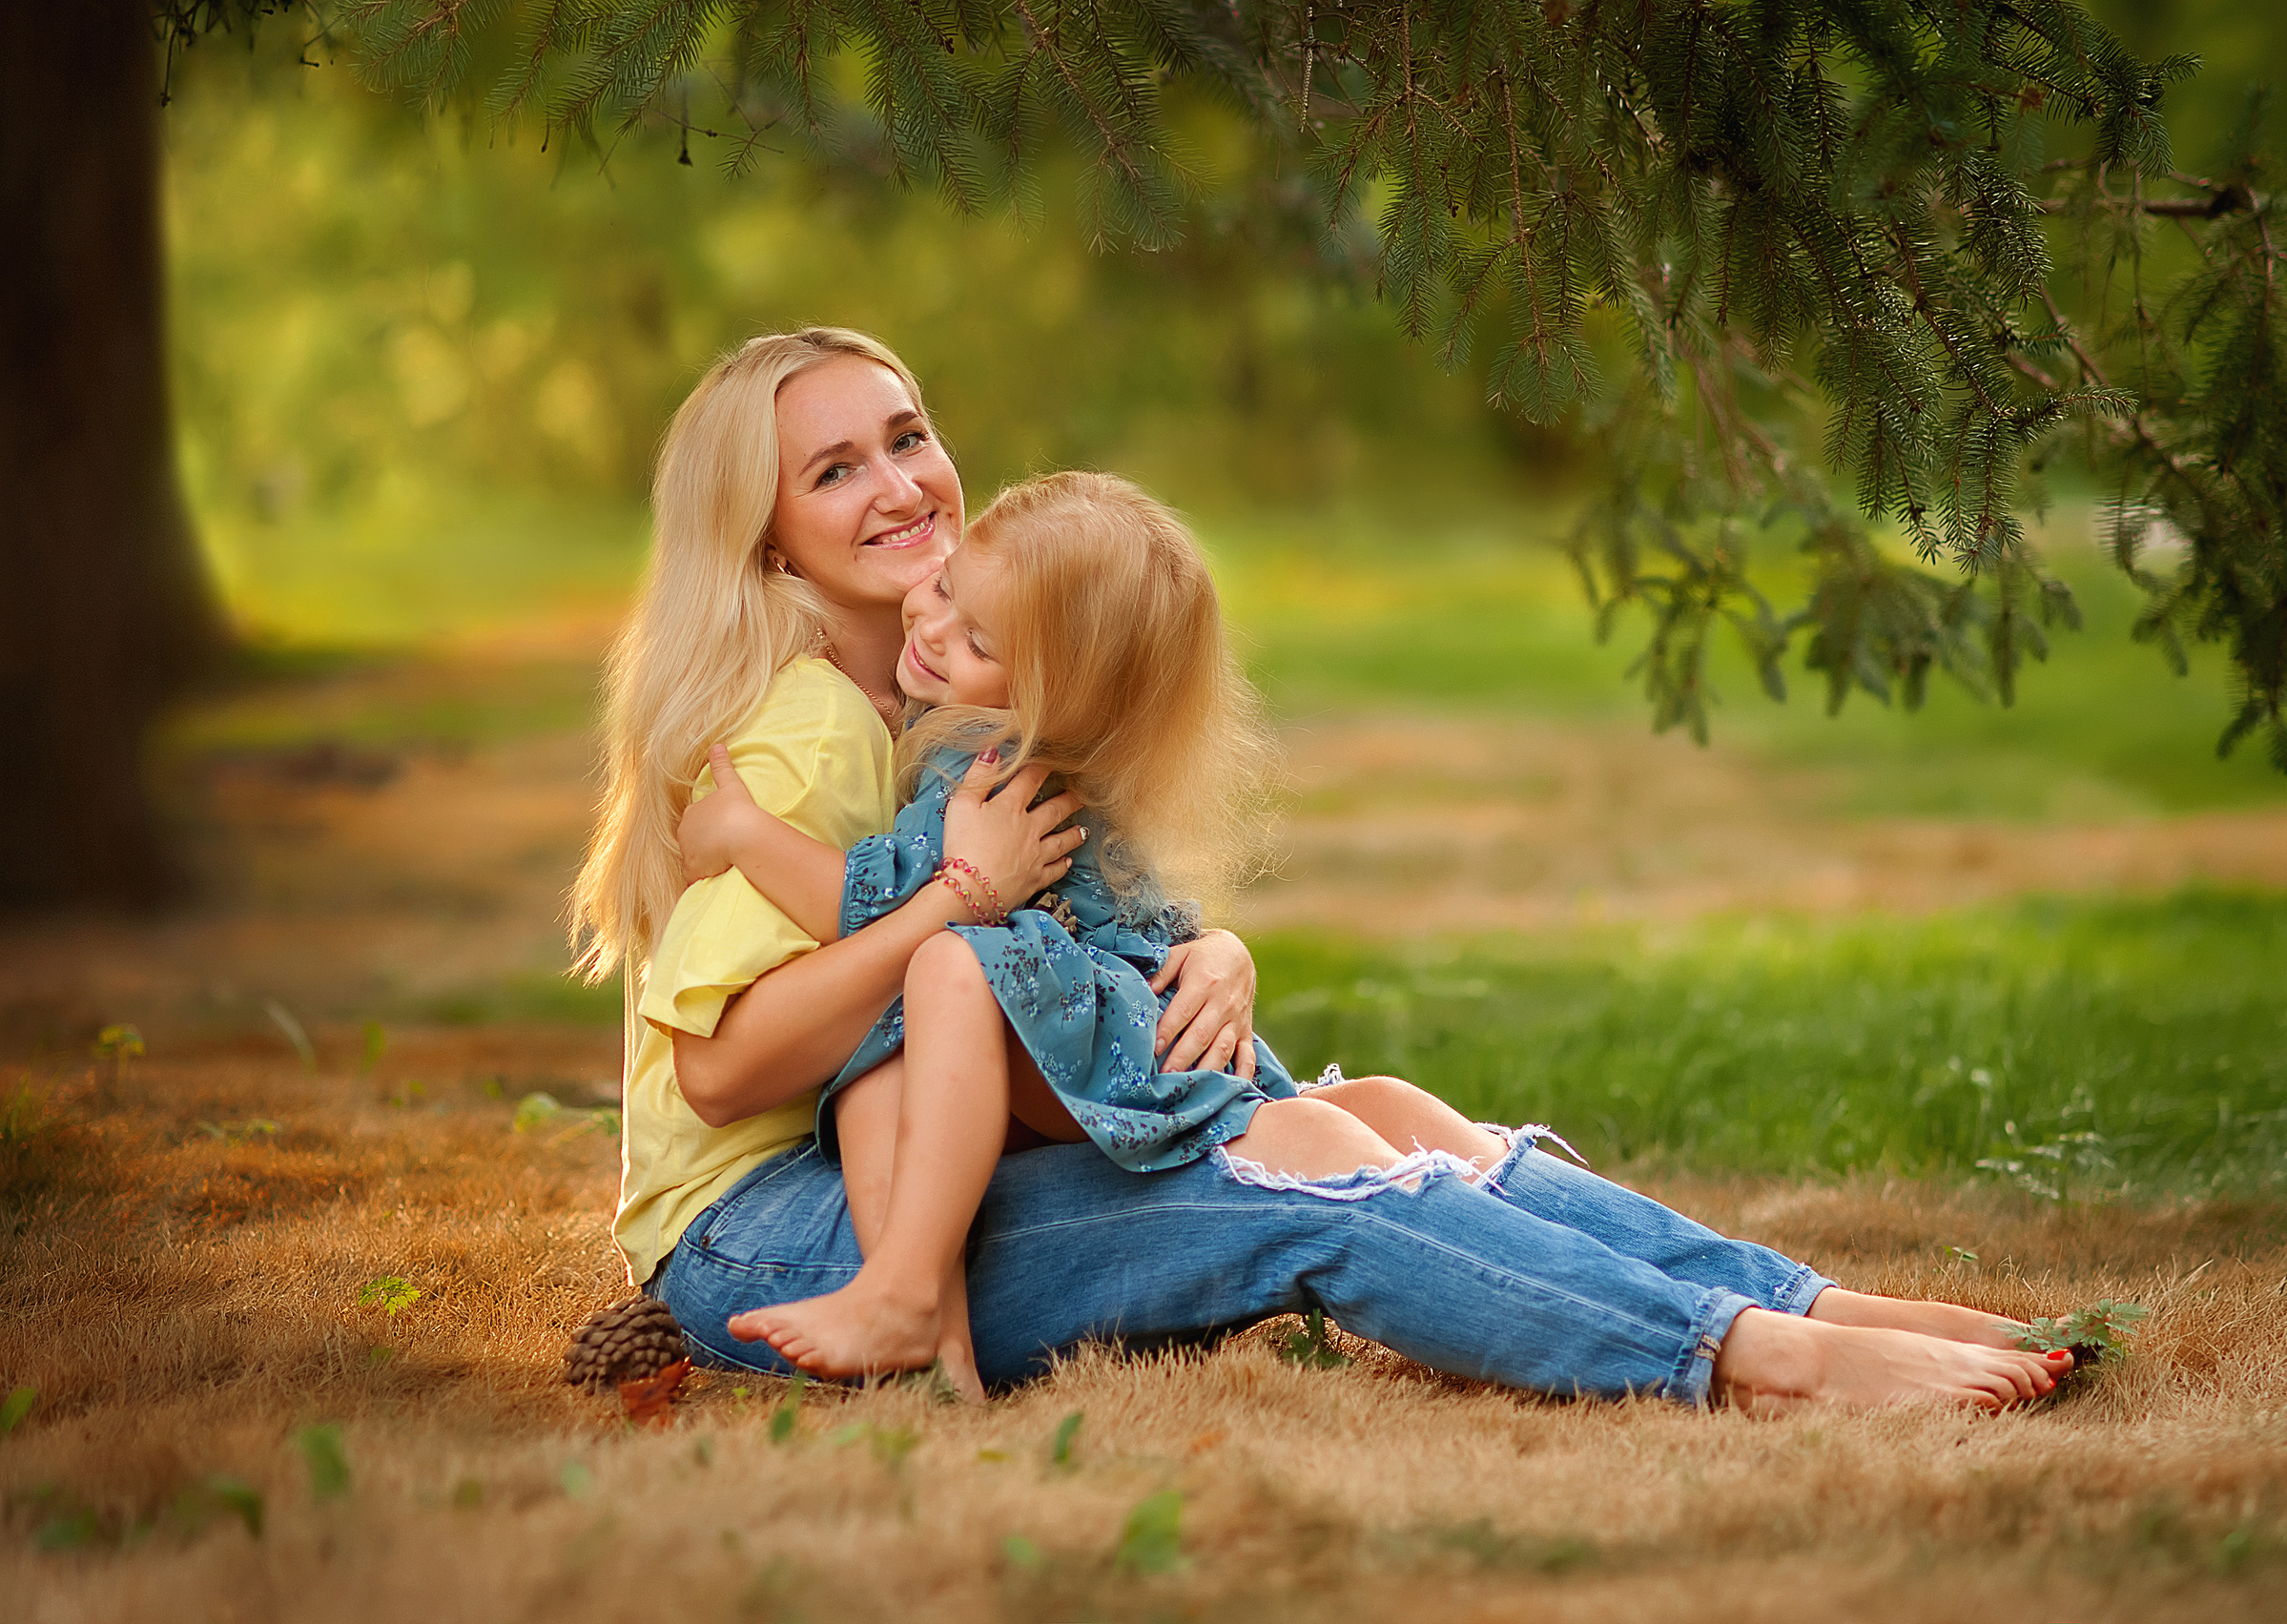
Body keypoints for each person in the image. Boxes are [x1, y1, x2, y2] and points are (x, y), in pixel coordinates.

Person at [572, 327, 2073, 1414]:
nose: (905, 485)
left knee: (1359, 1118)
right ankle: (1763, 1359)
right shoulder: (803, 735)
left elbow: (1070, 892)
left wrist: (1207, 951)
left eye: (907, 434)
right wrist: (952, 904)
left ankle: (1789, 1297)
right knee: (1300, 1183)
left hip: (902, 1151)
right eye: (836, 469)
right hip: (766, 1223)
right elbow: (722, 1075)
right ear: (765, 546)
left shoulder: (938, 667)